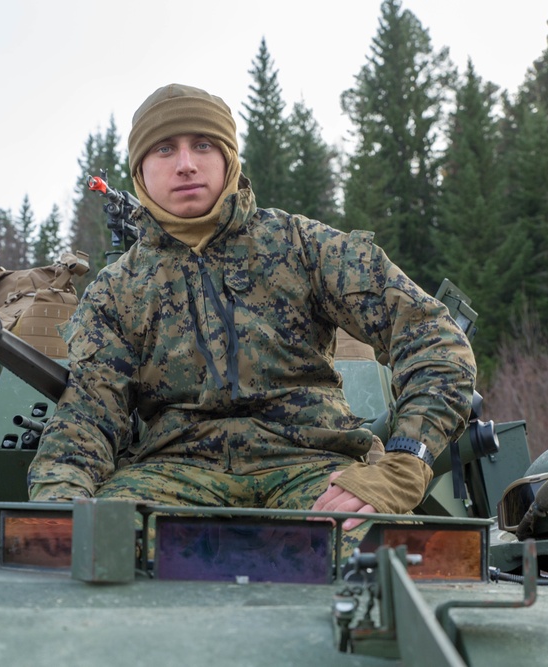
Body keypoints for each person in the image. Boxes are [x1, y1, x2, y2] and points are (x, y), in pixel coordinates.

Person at [27, 83, 476, 533]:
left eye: (202, 145)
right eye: (165, 149)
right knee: (96, 549)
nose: (186, 164)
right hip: (171, 475)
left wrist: (402, 465)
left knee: (377, 556)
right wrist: (57, 507)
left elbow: (433, 337)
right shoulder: (116, 290)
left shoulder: (301, 247)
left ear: (228, 157)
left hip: (315, 467)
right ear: (141, 170)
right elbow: (86, 415)